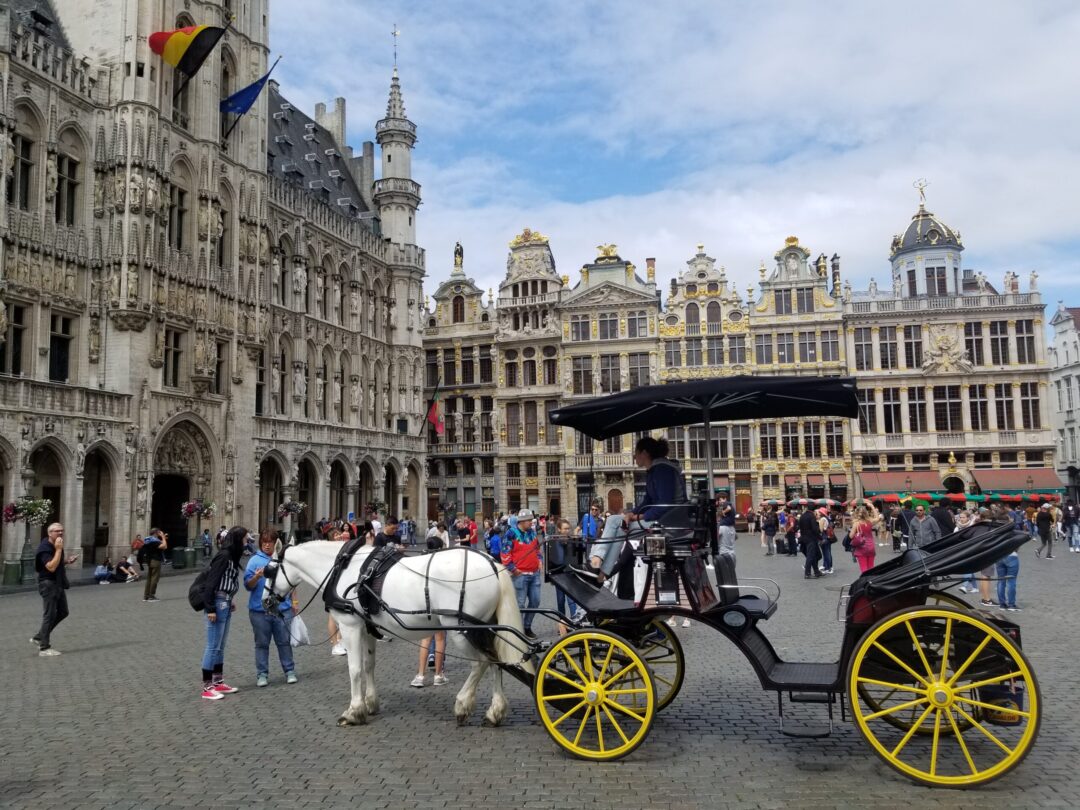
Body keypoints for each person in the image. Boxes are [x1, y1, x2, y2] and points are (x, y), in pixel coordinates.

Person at [245, 529, 299, 687]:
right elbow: (248, 586)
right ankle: (262, 674)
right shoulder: (254, 561)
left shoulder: (283, 560)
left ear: (276, 543)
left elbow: (292, 583)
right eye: (264, 542)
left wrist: (294, 603)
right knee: (261, 643)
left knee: (284, 641)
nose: (267, 545)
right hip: (259, 611)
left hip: (282, 609)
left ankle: (289, 671)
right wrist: (256, 577)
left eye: (270, 542)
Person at [198, 526, 247, 700]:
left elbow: (225, 582)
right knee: (212, 646)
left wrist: (229, 599)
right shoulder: (224, 556)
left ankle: (218, 681)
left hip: (225, 602)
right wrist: (210, 608)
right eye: (244, 539)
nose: (246, 542)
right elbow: (211, 583)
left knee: (220, 645)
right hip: (217, 604)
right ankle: (207, 686)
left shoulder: (231, 558)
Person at [32, 523, 76, 656]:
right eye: (57, 531)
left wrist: (67, 561)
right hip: (48, 584)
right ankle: (44, 648)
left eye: (62, 531)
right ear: (49, 533)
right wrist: (58, 550)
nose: (61, 533)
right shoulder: (45, 547)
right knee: (49, 615)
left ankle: (39, 636)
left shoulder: (57, 544)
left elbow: (55, 563)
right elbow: (50, 567)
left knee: (63, 612)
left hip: (57, 583)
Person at [412, 531, 448, 688]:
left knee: (425, 639)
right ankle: (438, 675)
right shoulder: (443, 563)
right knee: (440, 639)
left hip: (424, 603)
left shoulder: (421, 561)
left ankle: (420, 675)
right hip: (439, 603)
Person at [501, 508, 542, 639]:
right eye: (530, 521)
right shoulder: (511, 533)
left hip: (534, 574)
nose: (532, 523)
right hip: (520, 575)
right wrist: (513, 569)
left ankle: (527, 626)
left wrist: (540, 560)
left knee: (535, 602)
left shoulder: (533, 533)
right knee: (520, 605)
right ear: (522, 521)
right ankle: (518, 632)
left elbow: (537, 550)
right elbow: (505, 553)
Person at [632, 436, 687, 524]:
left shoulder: (662, 470)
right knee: (616, 520)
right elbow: (648, 501)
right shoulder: (654, 470)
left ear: (644, 453)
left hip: (671, 519)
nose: (634, 457)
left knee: (615, 522)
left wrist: (640, 516)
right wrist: (632, 513)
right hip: (664, 517)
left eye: (636, 453)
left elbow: (665, 503)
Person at [141, 528, 168, 602]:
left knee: (149, 579)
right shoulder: (155, 541)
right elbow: (165, 547)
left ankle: (146, 596)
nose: (160, 533)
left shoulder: (147, 540)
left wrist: (162, 539)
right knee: (154, 579)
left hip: (149, 560)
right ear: (156, 533)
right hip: (156, 560)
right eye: (159, 532)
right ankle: (151, 596)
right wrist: (162, 537)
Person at [798, 504, 823, 579]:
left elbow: (799, 526)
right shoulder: (811, 516)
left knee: (814, 555)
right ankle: (807, 573)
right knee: (811, 556)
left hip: (804, 538)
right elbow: (814, 529)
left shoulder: (802, 515)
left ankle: (816, 571)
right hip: (811, 538)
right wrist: (820, 537)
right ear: (814, 510)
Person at [849, 507, 876, 573]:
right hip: (871, 547)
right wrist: (872, 506)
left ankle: (865, 582)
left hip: (861, 548)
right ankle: (871, 581)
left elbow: (851, 536)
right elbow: (878, 518)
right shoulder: (870, 522)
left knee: (864, 569)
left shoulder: (856, 524)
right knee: (871, 568)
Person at [995, 546, 1021, 612]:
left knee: (1001, 581)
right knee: (1011, 581)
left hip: (999, 556)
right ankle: (1011, 605)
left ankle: (1002, 605)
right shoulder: (1014, 535)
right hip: (1012, 556)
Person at [715, 492, 736, 558]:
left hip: (724, 527)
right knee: (730, 547)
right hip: (731, 527)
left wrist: (722, 512)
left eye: (719, 500)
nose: (719, 501)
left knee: (723, 547)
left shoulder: (726, 503)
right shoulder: (730, 505)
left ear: (723, 498)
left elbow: (728, 508)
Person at [817, 508, 835, 574]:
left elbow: (821, 530)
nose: (818, 513)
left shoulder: (822, 519)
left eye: (819, 512)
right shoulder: (827, 518)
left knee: (826, 553)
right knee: (828, 552)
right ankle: (827, 566)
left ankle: (829, 568)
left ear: (821, 513)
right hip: (828, 537)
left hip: (824, 537)